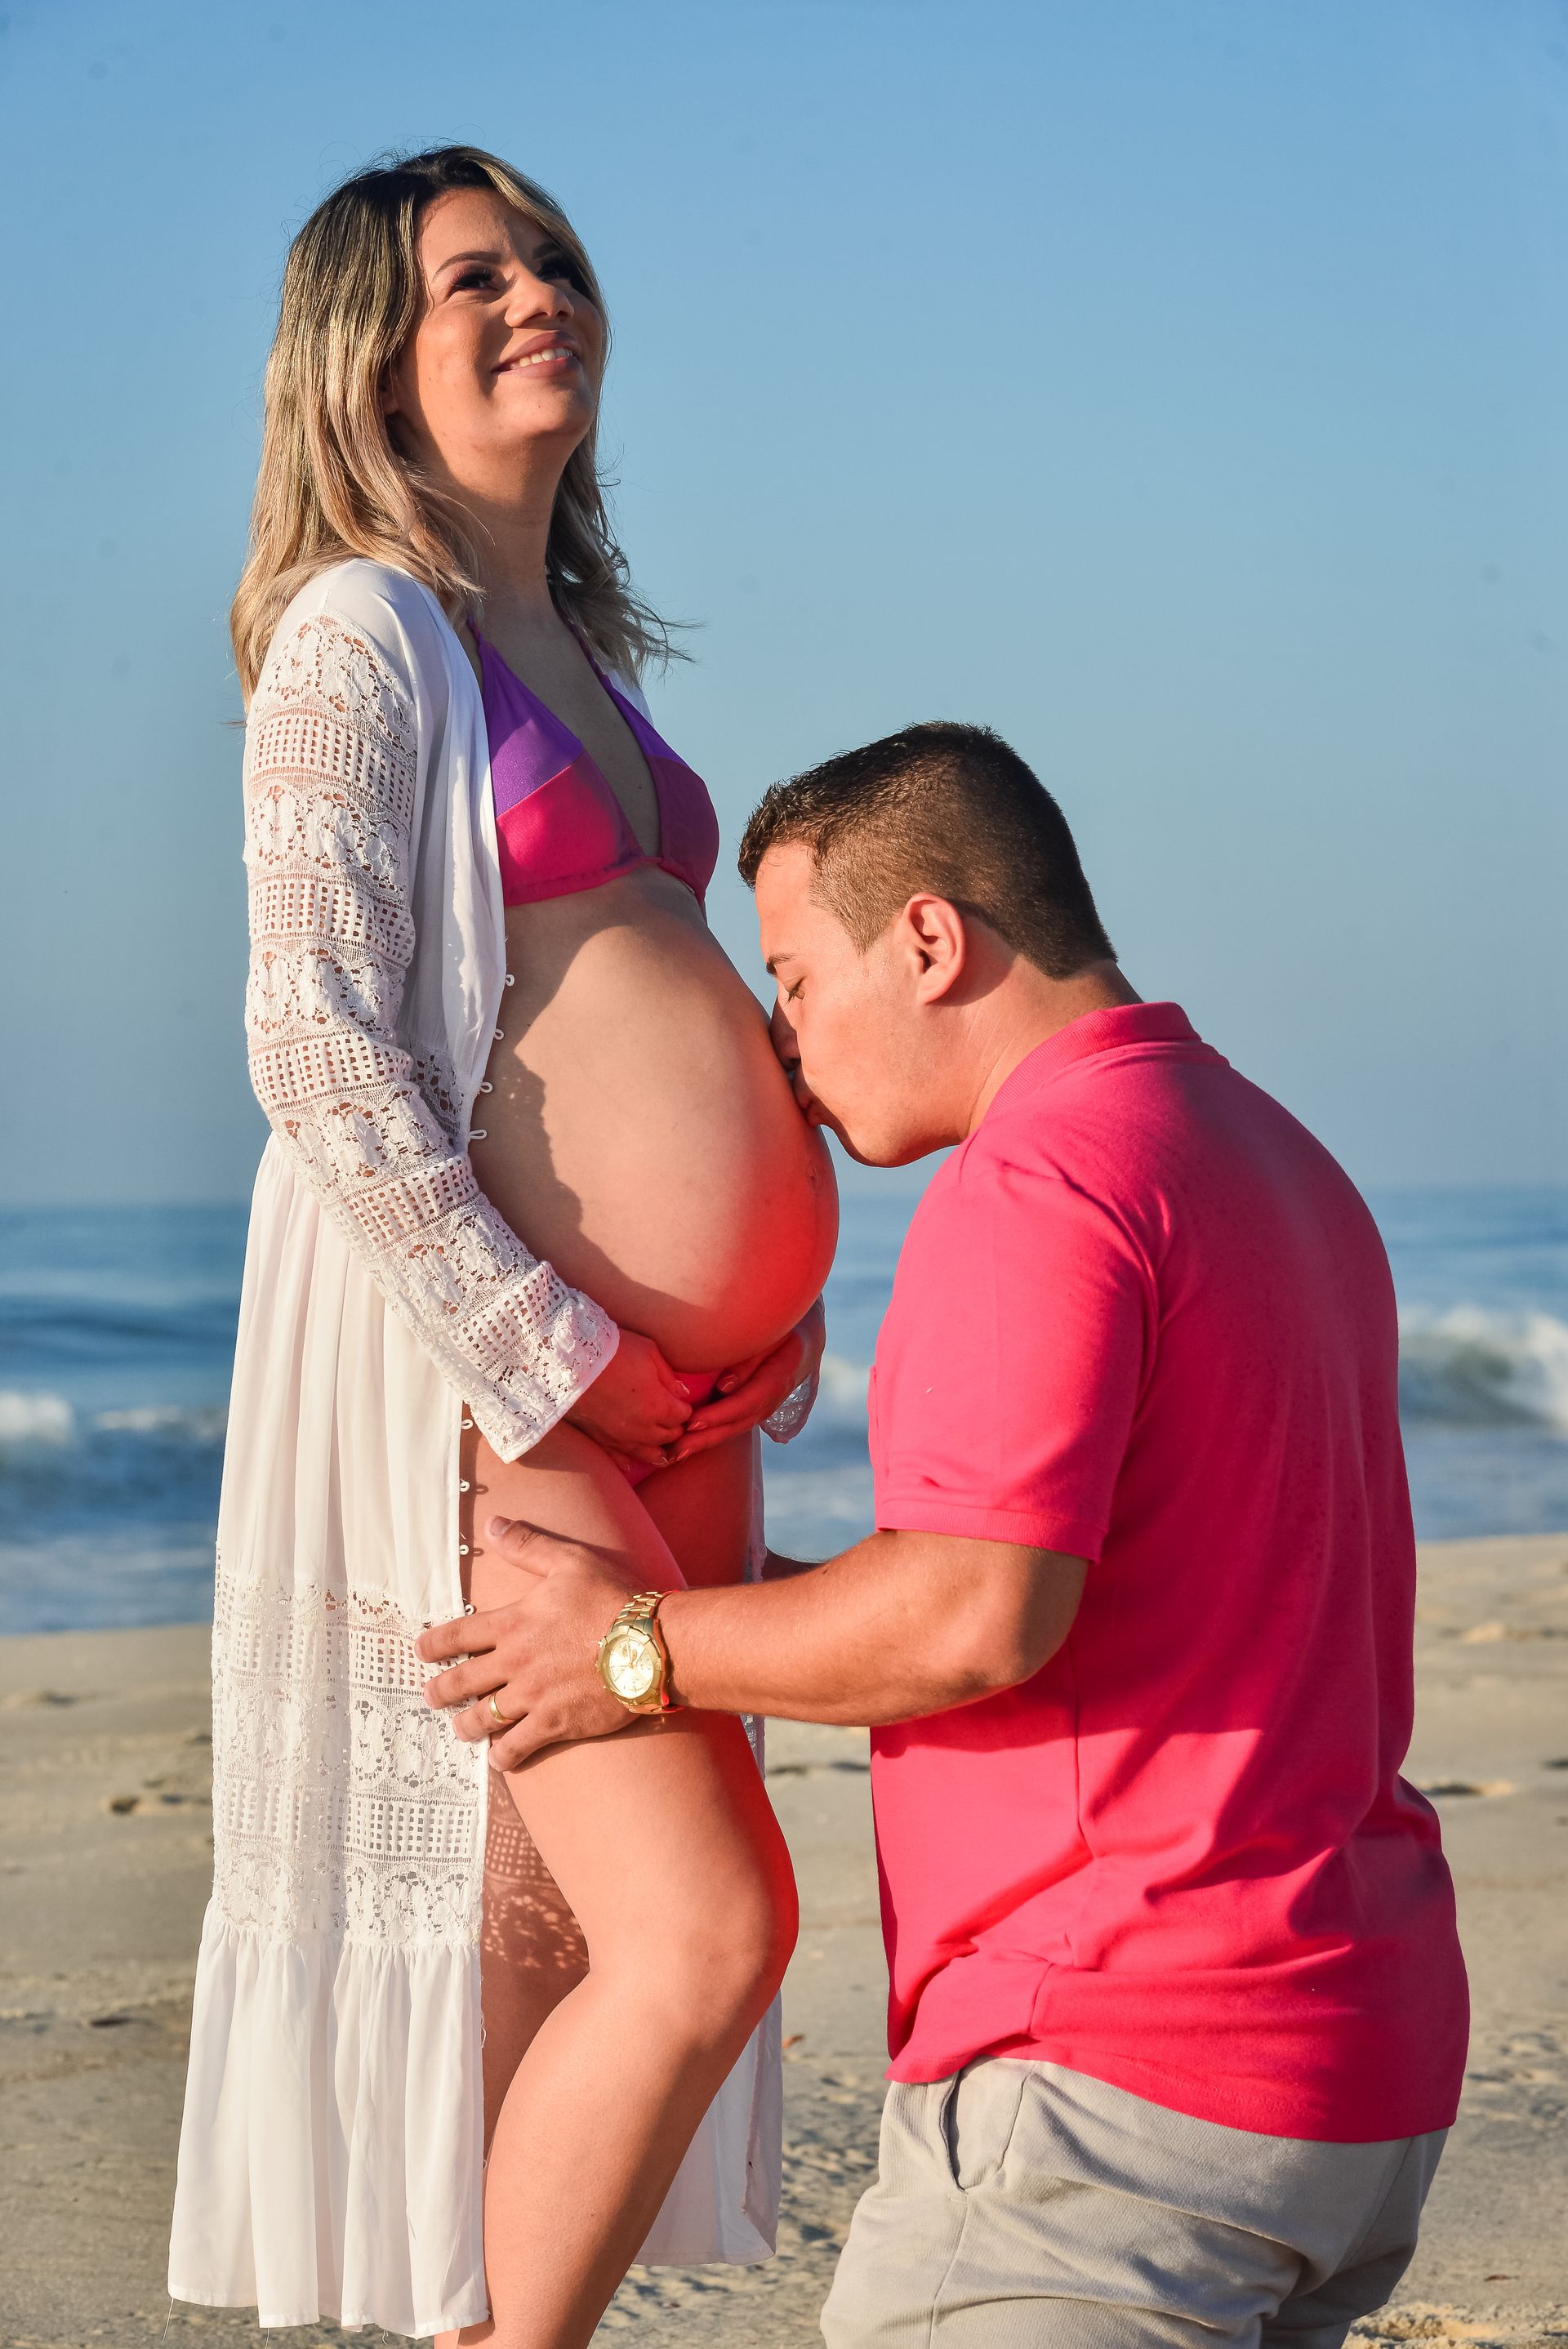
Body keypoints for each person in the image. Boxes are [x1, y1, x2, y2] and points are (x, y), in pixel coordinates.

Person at [419, 721, 1471, 2347]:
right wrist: (740, 1605)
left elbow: (973, 1615)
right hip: (1348, 2065)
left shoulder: (1046, 1177)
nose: (781, 1046)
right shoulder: (1272, 1156)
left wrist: (631, 1649)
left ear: (928, 940)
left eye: (794, 980)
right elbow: (1133, 1590)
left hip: (1118, 2086)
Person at [167, 146, 838, 2347]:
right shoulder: (363, 630)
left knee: (550, 1948)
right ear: (370, 359)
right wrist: (562, 1350)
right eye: (476, 277)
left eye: (550, 258)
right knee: (706, 1928)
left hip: (672, 1401)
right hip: (500, 1392)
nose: (538, 290)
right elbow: (313, 1046)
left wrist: (774, 1304)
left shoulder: (584, 651)